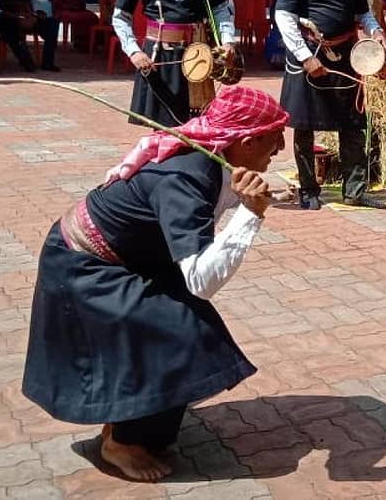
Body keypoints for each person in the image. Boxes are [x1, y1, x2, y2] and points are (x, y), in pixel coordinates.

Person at [22, 85, 290, 482]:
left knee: (182, 326)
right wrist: (251, 213)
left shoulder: (210, 154)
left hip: (127, 257)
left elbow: (216, 200)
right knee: (182, 331)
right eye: (274, 139)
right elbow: (201, 280)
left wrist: (258, 196)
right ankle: (121, 441)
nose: (281, 147)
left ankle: (136, 426)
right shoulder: (184, 177)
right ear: (247, 141)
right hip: (83, 265)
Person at [274, 0, 386, 210]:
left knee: (353, 123)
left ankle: (355, 190)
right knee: (305, 125)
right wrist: (304, 56)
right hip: (310, 54)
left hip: (345, 55)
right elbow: (284, 15)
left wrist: (376, 33)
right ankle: (309, 190)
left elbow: (362, 12)